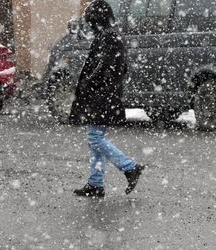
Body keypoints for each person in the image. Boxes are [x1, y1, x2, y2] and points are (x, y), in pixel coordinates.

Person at [71, 0, 145, 198]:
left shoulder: (109, 37)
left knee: (95, 138)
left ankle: (130, 167)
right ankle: (95, 183)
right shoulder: (109, 36)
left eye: (90, 20)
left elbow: (105, 67)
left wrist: (88, 83)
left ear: (97, 19)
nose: (89, 25)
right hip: (103, 94)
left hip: (102, 95)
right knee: (95, 138)